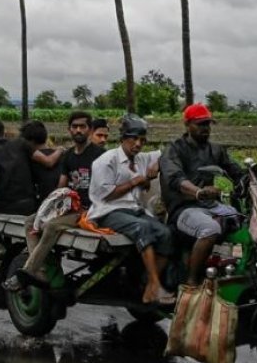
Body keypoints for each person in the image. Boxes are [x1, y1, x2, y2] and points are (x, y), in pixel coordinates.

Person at [4, 111, 104, 291]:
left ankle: (27, 272)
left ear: (90, 130)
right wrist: (48, 208)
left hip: (90, 209)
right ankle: (39, 271)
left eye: (83, 126)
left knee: (51, 226)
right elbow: (61, 186)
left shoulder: (99, 155)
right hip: (71, 206)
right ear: (69, 130)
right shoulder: (68, 156)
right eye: (75, 127)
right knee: (31, 222)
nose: (78, 130)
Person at [87, 115, 175, 305]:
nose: (138, 144)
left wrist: (157, 163)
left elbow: (170, 150)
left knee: (166, 233)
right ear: (122, 139)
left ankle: (148, 285)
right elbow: (105, 195)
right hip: (108, 212)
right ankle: (154, 284)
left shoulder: (142, 159)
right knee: (142, 228)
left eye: (142, 140)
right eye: (133, 139)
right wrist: (135, 181)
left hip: (134, 210)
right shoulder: (106, 161)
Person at [159, 103, 245, 286]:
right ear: (187, 125)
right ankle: (192, 282)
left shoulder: (215, 149)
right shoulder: (174, 149)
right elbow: (175, 178)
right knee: (210, 229)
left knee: (246, 223)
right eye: (201, 124)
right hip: (183, 208)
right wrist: (198, 192)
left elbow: (235, 171)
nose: (206, 128)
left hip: (210, 206)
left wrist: (255, 181)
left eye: (208, 124)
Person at [0, 121, 64, 218]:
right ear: (4, 132)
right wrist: (60, 150)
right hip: (28, 205)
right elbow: (48, 162)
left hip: (5, 206)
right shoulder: (21, 143)